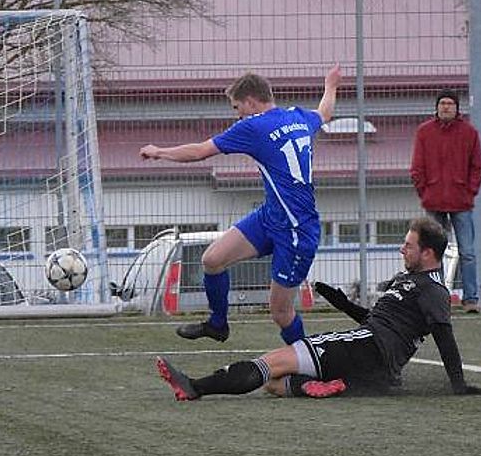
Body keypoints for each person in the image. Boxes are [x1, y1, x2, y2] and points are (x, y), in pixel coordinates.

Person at [155, 217, 481, 400]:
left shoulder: (433, 290)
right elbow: (379, 320)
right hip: (372, 359)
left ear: (428, 253)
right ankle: (329, 385)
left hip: (369, 349)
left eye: (409, 246)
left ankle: (195, 387)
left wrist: (458, 383)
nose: (402, 249)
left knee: (273, 362)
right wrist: (342, 303)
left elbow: (444, 336)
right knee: (272, 383)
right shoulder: (410, 280)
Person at [140, 64, 342, 344]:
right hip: (271, 216)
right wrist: (330, 85)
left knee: (281, 313)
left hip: (297, 230)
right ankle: (217, 325)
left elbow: (200, 151)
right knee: (212, 260)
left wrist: (159, 151)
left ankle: (307, 361)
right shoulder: (298, 117)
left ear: (251, 102)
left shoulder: (253, 126)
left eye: (237, 107)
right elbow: (324, 113)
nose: (237, 114)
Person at [410, 89, 481, 313]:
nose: (446, 107)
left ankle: (471, 299)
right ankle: (439, 299)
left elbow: (478, 167)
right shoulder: (425, 132)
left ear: (457, 108)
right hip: (433, 202)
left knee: (467, 252)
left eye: (450, 103)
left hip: (461, 203)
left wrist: (469, 192)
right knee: (434, 253)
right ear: (437, 107)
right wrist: (425, 192)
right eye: (442, 103)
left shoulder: (469, 133)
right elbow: (417, 167)